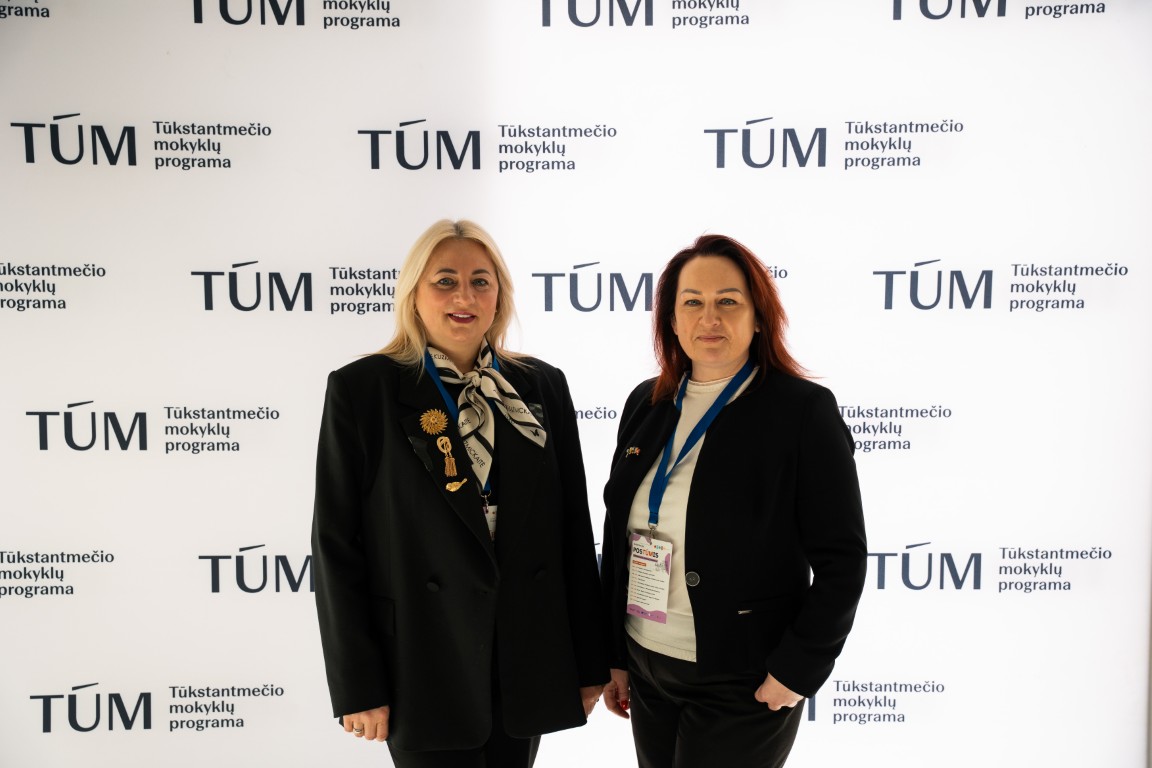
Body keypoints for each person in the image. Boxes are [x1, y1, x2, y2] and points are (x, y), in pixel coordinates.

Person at [311, 219, 608, 767]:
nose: (464, 297)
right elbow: (336, 547)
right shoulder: (363, 389)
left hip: (525, 658)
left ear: (500, 295)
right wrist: (358, 685)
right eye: (444, 281)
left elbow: (573, 529)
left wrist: (589, 664)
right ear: (414, 295)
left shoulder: (542, 385)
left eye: (480, 281)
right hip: (420, 662)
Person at [599, 234, 867, 767]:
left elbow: (843, 558)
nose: (709, 318)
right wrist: (613, 653)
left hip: (745, 677)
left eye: (728, 301)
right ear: (672, 321)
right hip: (647, 663)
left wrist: (799, 667)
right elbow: (618, 535)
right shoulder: (646, 402)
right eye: (692, 302)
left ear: (759, 317)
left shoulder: (802, 412)